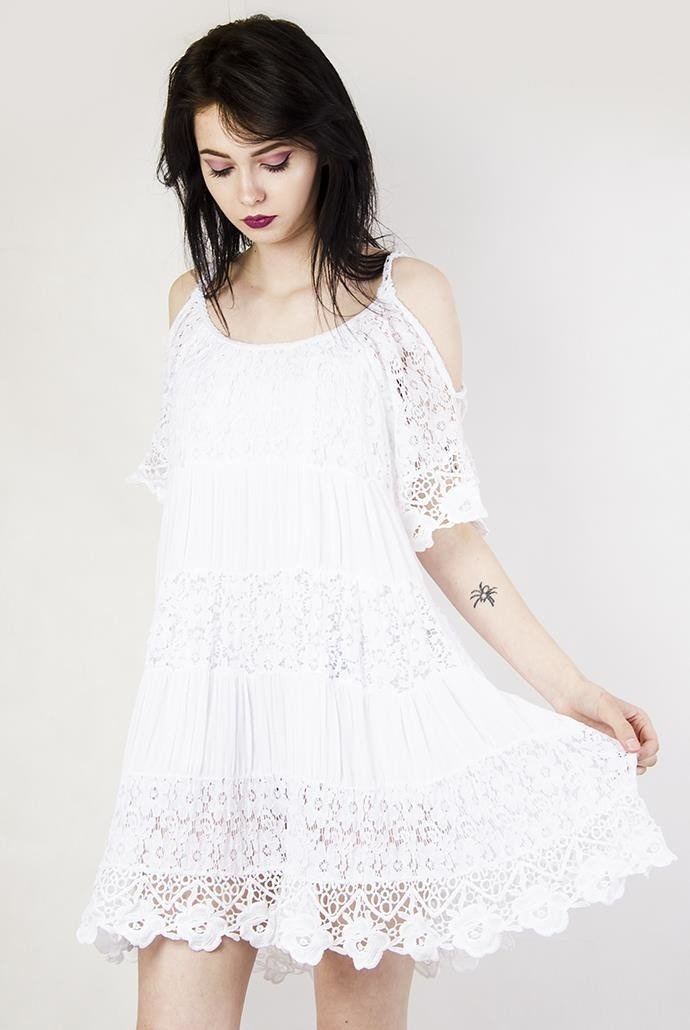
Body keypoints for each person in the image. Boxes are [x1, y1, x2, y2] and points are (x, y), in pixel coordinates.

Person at [75, 13, 677, 1030]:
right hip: (207, 735)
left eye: (274, 159)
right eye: (219, 167)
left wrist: (571, 688)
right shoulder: (190, 311)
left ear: (324, 146)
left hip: (361, 732)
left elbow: (447, 535)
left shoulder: (406, 304)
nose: (249, 191)